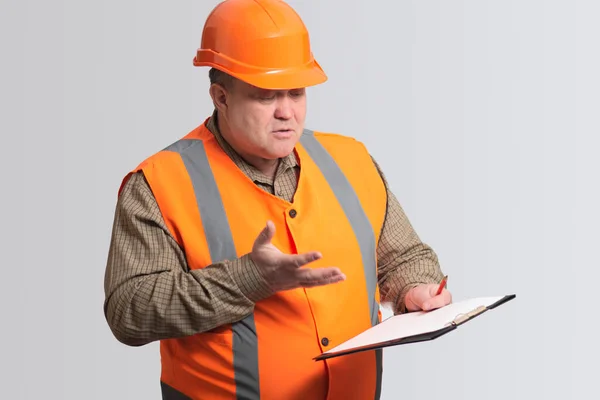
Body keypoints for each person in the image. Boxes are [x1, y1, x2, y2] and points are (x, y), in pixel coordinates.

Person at [103, 0, 452, 399]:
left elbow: (403, 257)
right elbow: (128, 311)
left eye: (296, 92)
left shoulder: (351, 160)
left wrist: (415, 290)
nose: (287, 112)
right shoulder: (159, 183)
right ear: (221, 96)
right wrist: (248, 279)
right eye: (266, 96)